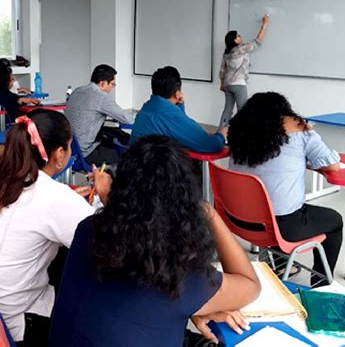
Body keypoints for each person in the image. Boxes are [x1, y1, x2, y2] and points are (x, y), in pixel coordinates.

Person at [49, 135, 261, 346]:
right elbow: (250, 285)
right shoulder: (178, 271)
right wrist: (208, 212)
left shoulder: (88, 229)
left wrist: (194, 307)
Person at [0, 109, 111, 345]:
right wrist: (107, 197)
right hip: (14, 323)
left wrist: (70, 200)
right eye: (68, 147)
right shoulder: (53, 197)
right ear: (59, 154)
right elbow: (109, 246)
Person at [228, 92, 343, 286]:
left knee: (276, 203)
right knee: (335, 221)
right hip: (281, 227)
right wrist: (308, 130)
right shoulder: (299, 132)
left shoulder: (240, 136)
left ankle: (279, 264)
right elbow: (333, 165)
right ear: (286, 113)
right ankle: (320, 285)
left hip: (240, 220)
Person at [130, 66, 226, 153]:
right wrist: (222, 134)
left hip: (133, 165)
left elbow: (179, 125)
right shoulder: (169, 115)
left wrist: (180, 106)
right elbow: (210, 146)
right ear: (177, 93)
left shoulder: (148, 107)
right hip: (153, 169)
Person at [65, 64, 135, 166]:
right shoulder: (101, 97)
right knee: (129, 154)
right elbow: (128, 119)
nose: (112, 88)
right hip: (86, 154)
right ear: (103, 83)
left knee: (115, 134)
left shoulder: (77, 91)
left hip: (69, 150)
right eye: (112, 84)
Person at [218, 15, 270, 127]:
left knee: (227, 109)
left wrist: (222, 84)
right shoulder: (241, 48)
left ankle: (221, 131)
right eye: (239, 36)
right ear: (235, 40)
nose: (241, 37)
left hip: (227, 85)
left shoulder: (226, 53)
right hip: (239, 84)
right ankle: (242, 135)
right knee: (243, 110)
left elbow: (222, 70)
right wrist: (264, 25)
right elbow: (257, 42)